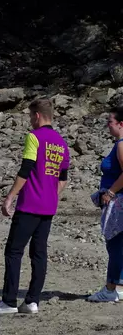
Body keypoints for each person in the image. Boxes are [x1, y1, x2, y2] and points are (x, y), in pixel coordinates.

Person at [0, 98, 70, 314]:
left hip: (30, 205)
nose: (30, 120)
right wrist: (50, 194)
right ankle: (32, 301)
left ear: (37, 115)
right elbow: (63, 178)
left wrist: (10, 196)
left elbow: (26, 169)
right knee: (39, 253)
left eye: (31, 116)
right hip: (48, 207)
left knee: (13, 251)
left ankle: (9, 301)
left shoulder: (34, 137)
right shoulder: (61, 143)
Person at [88, 107, 123, 302]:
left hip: (118, 201)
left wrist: (110, 192)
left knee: (115, 243)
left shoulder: (121, 145)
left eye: (110, 121)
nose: (107, 125)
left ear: (121, 124)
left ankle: (110, 288)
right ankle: (118, 286)